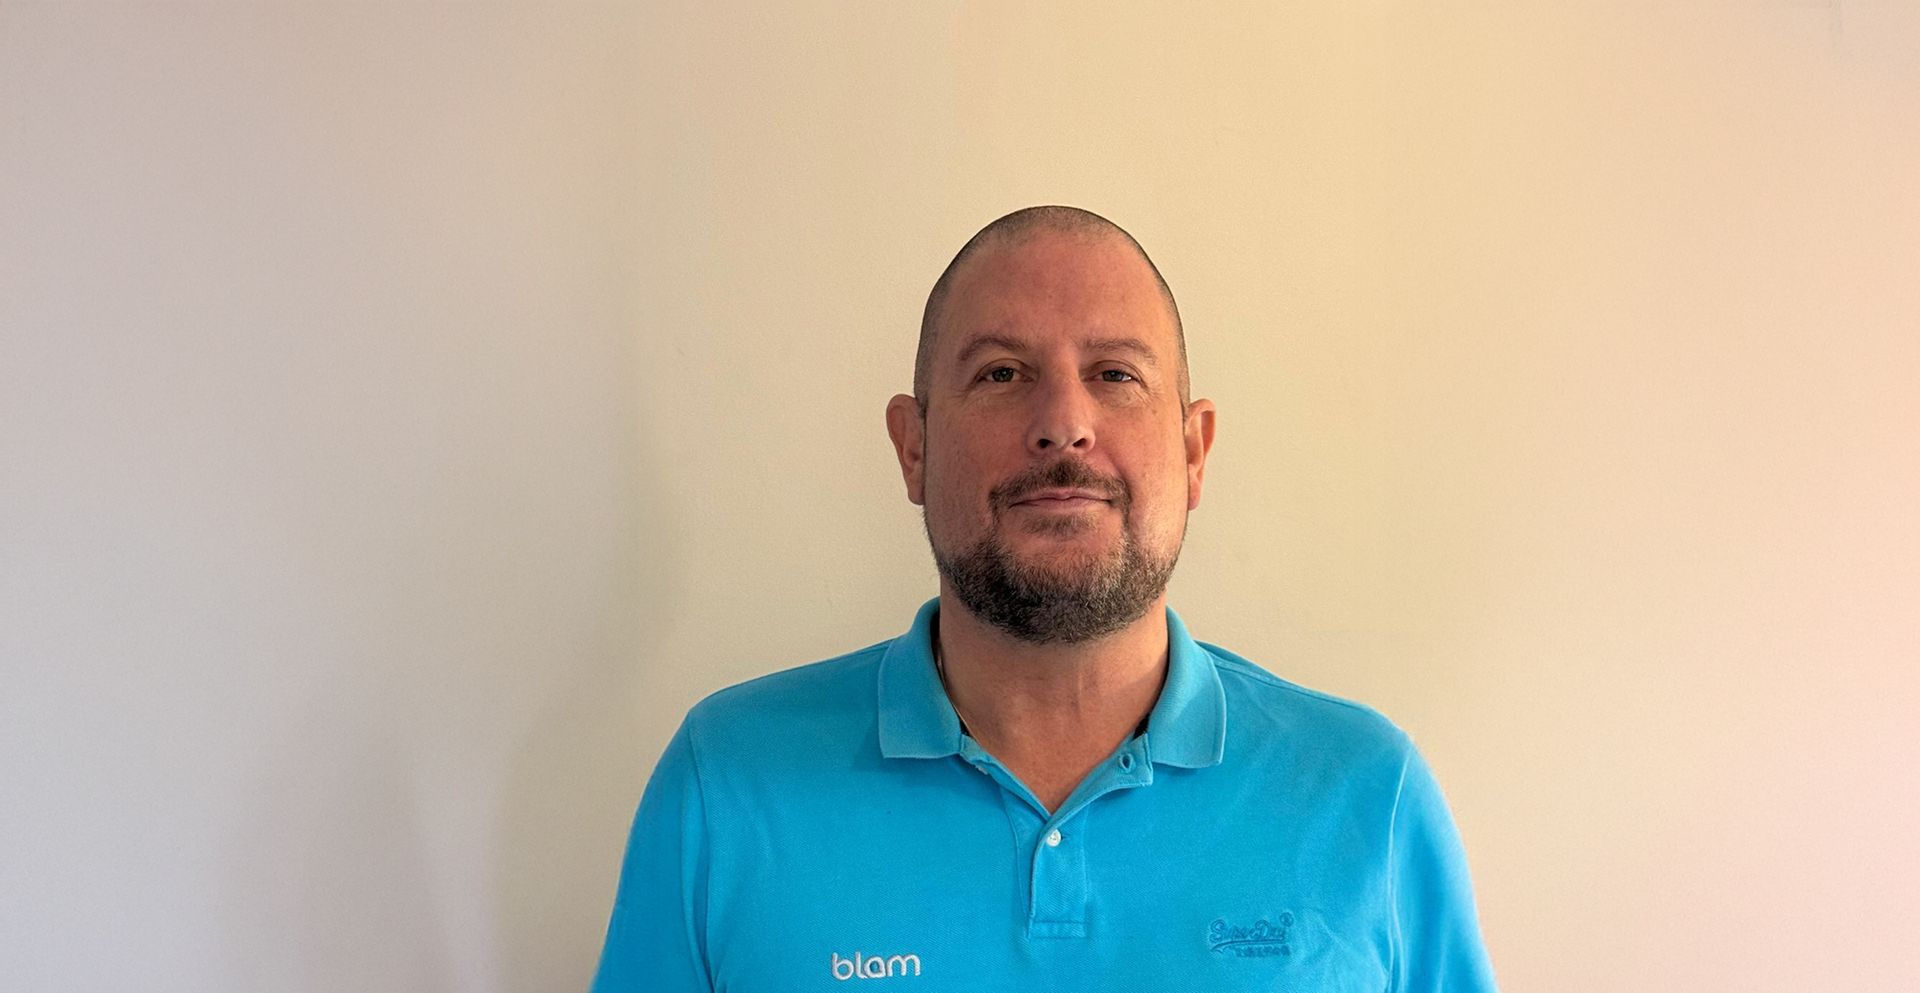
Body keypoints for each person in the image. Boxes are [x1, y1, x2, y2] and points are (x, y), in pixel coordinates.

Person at [589, 205, 1498, 991]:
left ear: (1193, 452)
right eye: (1001, 372)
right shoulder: (725, 785)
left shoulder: (1365, 798)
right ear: (914, 447)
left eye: (1115, 374)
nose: (1063, 422)